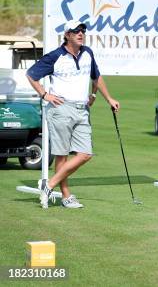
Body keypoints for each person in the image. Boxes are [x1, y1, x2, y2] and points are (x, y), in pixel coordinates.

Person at [26, 20, 120, 209]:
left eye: (83, 30)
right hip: (61, 108)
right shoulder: (55, 56)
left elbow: (96, 76)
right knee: (62, 156)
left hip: (82, 109)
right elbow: (31, 74)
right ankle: (66, 196)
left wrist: (103, 96)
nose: (80, 33)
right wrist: (45, 94)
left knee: (85, 154)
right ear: (67, 35)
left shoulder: (88, 53)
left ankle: (49, 184)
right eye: (76, 31)